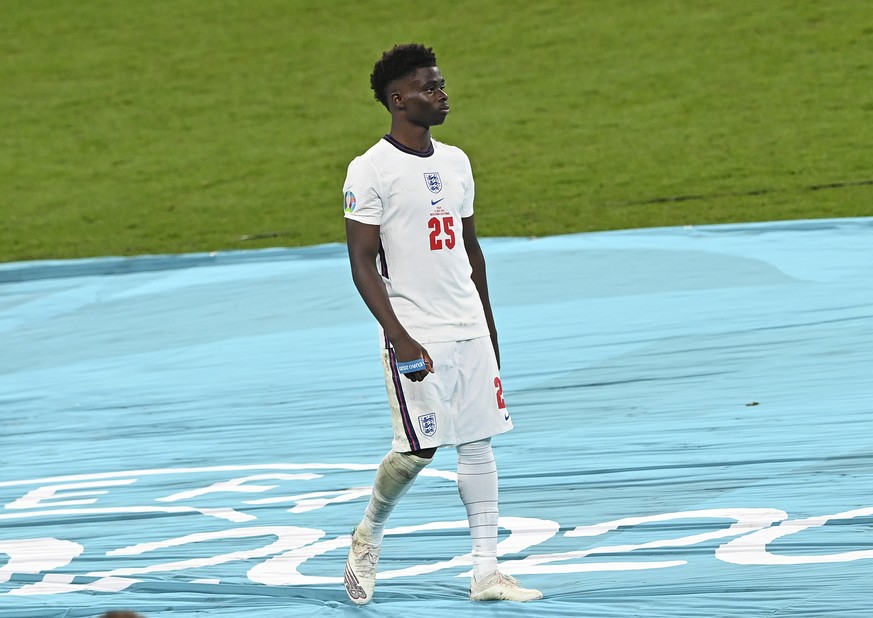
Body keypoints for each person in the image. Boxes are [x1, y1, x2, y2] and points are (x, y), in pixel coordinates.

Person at [341, 43, 542, 605]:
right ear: (398, 99)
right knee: (419, 450)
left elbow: (472, 252)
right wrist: (400, 336)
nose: (442, 94)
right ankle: (367, 535)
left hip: (469, 325)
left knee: (479, 443)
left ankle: (486, 573)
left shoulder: (457, 161)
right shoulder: (370, 169)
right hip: (418, 329)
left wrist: (490, 328)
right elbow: (361, 263)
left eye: (442, 84)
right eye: (430, 88)